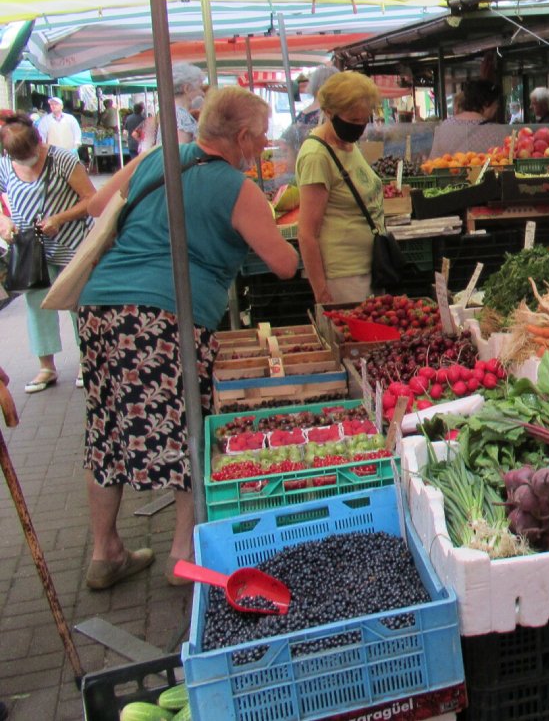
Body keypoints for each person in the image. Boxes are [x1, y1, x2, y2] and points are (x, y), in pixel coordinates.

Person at [78, 87, 298, 590]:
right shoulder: (236, 188)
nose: (264, 145)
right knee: (184, 424)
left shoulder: (158, 157)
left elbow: (96, 205)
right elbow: (284, 266)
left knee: (106, 425)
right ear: (241, 137)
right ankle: (183, 554)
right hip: (162, 317)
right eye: (261, 136)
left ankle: (105, 550)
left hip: (101, 305)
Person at [0, 114, 97, 393]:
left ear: (38, 142)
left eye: (29, 154)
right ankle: (46, 366)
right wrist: (5, 222)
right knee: (37, 305)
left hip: (71, 245)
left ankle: (86, 360)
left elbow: (91, 198)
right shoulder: (6, 165)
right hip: (31, 250)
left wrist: (60, 218)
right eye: (18, 157)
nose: (26, 160)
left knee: (78, 304)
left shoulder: (63, 159)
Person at [296, 71, 384, 304]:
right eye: (353, 121)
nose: (359, 127)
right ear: (329, 113)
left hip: (368, 267)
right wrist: (321, 292)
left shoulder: (347, 144)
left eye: (364, 120)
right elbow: (306, 233)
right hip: (343, 277)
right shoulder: (317, 155)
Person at [431, 78, 512, 158]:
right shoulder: (496, 131)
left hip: (452, 170)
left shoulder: (445, 126)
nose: (497, 108)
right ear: (486, 103)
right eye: (496, 104)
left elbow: (433, 160)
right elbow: (506, 160)